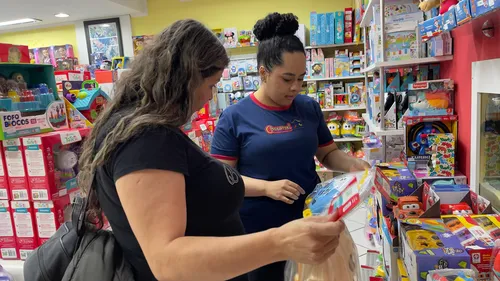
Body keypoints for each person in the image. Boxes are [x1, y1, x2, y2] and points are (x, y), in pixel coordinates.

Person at [77, 19, 346, 281]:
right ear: (185, 79)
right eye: (211, 85)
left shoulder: (144, 131)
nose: (209, 96)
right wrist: (280, 242)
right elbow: (167, 260)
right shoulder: (147, 140)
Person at [211, 13, 370, 281]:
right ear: (263, 72)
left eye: (301, 78)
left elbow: (328, 154)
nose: (295, 87)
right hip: (260, 230)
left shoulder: (308, 108)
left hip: (312, 220)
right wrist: (266, 188)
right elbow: (221, 179)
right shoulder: (235, 117)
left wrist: (355, 165)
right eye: (287, 79)